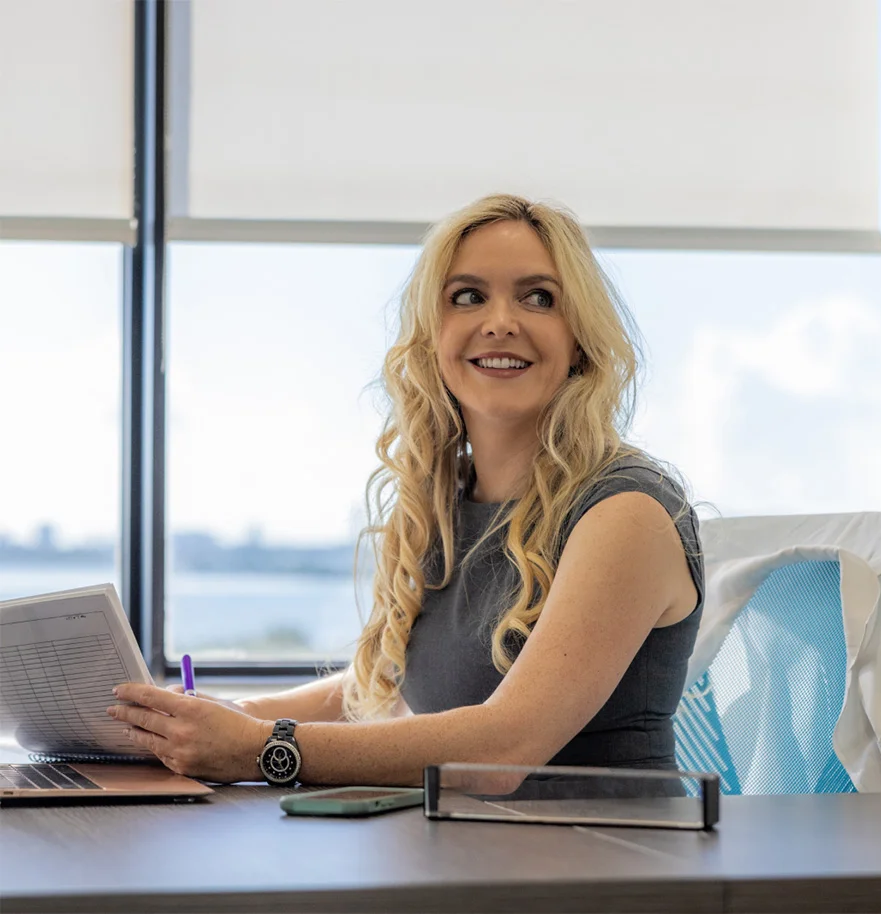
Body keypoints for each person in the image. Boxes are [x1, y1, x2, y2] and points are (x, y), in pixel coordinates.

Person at [110, 194, 704, 792]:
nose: (500, 321)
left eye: (539, 297)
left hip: (611, 868)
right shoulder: (445, 505)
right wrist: (226, 718)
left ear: (579, 338)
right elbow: (381, 683)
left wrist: (259, 748)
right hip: (474, 857)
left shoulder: (628, 513)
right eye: (467, 296)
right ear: (431, 337)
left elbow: (503, 747)